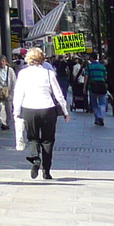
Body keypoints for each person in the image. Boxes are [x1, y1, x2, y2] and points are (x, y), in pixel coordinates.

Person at [13, 47, 70, 180]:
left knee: (32, 138)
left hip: (29, 108)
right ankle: (46, 170)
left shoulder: (23, 73)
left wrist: (16, 112)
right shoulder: (48, 73)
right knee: (48, 140)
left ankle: (35, 158)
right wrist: (65, 111)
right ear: (42, 59)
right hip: (47, 109)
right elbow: (58, 93)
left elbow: (18, 94)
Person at [0, 55, 16, 131]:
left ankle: (8, 122)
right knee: (1, 107)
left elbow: (14, 81)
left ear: (5, 62)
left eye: (3, 61)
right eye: (0, 61)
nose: (1, 63)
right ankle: (3, 123)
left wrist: (13, 91)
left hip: (8, 91)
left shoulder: (10, 70)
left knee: (8, 108)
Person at [85, 54, 110, 126]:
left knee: (94, 103)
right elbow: (105, 77)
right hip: (102, 86)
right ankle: (101, 117)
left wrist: (84, 87)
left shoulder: (89, 67)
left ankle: (97, 118)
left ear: (91, 58)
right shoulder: (102, 66)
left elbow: (86, 77)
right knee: (102, 103)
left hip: (92, 86)